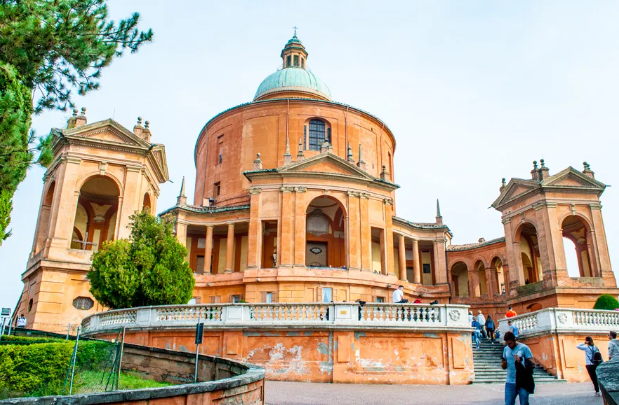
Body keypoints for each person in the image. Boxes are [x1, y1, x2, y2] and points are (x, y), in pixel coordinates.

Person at [502, 331, 534, 405]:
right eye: (507, 344)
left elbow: (532, 363)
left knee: (524, 403)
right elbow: (503, 366)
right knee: (508, 403)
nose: (509, 346)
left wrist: (521, 361)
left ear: (514, 340)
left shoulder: (524, 348)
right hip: (510, 381)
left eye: (510, 343)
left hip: (523, 381)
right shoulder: (506, 349)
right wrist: (503, 364)